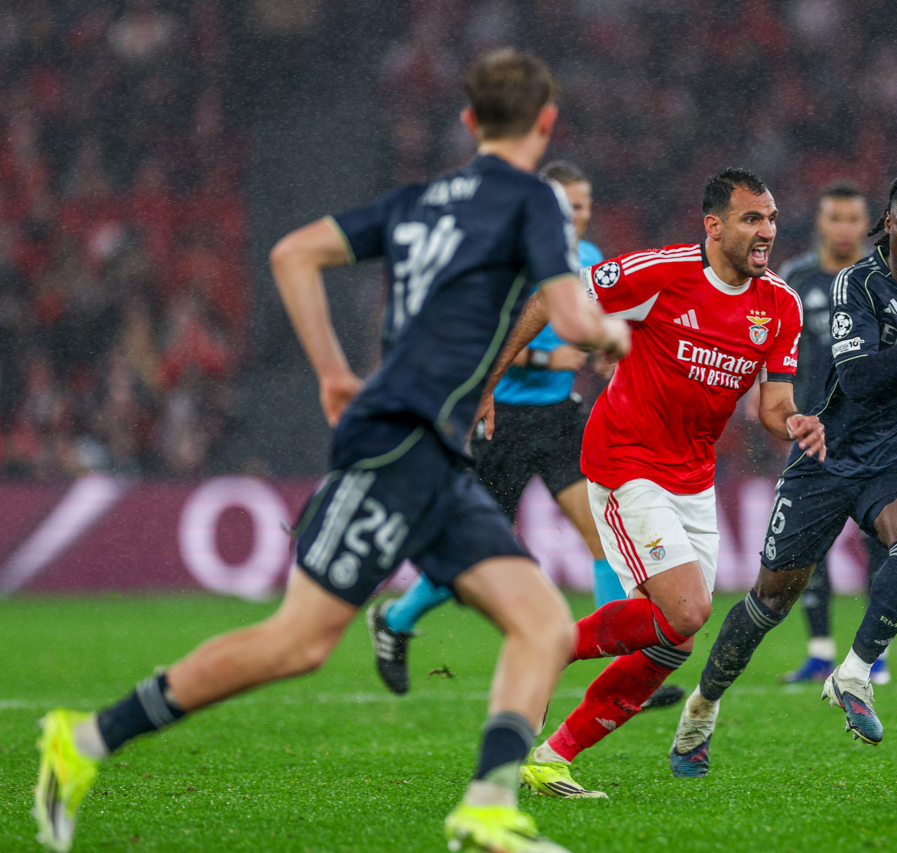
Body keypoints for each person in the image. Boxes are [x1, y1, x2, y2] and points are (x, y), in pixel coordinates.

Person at [32, 48, 628, 853]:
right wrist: (610, 333)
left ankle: (487, 808)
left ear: (468, 121)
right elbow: (573, 314)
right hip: (398, 446)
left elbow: (293, 253)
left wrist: (330, 373)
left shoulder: (419, 201)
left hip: (431, 451)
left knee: (543, 623)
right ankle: (86, 738)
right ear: (548, 120)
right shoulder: (536, 203)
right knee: (297, 643)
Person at [478, 168, 823, 798]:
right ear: (714, 225)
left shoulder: (780, 305)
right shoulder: (659, 274)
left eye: (771, 218)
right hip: (624, 460)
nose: (767, 231)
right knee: (688, 609)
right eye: (752, 219)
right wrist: (489, 380)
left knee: (675, 638)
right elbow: (556, 297)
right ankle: (547, 644)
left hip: (693, 476)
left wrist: (796, 421)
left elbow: (774, 404)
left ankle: (552, 757)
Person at [669, 172, 897, 777]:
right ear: (888, 226)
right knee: (770, 601)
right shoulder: (857, 285)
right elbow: (861, 381)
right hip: (825, 454)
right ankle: (701, 709)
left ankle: (854, 672)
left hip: (894, 457)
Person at [367, 160, 688, 709]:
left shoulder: (588, 263)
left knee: (603, 539)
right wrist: (545, 354)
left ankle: (616, 665)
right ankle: (395, 619)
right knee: (478, 556)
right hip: (501, 423)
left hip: (561, 417)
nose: (576, 219)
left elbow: (600, 326)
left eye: (583, 207)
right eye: (564, 208)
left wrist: (610, 348)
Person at [775, 183, 892, 686]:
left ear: (865, 224)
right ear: (821, 223)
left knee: (879, 540)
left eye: (852, 218)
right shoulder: (795, 279)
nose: (844, 227)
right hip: (813, 430)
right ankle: (820, 652)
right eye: (835, 218)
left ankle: (874, 655)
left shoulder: (883, 278)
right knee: (807, 544)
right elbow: (775, 351)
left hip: (874, 431)